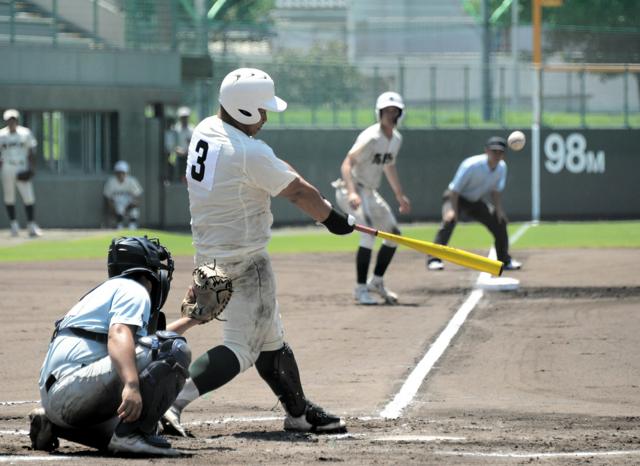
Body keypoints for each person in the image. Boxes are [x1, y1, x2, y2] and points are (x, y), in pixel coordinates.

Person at [161, 67, 355, 437]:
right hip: (245, 261)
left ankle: (298, 411)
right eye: (262, 110)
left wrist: (323, 204)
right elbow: (296, 192)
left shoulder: (206, 129)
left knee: (270, 338)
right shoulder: (249, 152)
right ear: (245, 109)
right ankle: (170, 402)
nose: (265, 118)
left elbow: (280, 172)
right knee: (242, 347)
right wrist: (332, 219)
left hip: (210, 255)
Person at [29, 236, 202, 457]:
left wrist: (192, 320)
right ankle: (132, 435)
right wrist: (131, 385)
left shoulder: (112, 291)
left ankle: (51, 424)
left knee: (140, 427)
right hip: (72, 392)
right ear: (148, 270)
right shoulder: (134, 289)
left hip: (66, 398)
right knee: (174, 349)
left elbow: (141, 345)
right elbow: (119, 335)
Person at [332, 92, 411, 305]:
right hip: (352, 190)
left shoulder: (395, 139)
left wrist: (399, 194)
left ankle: (376, 282)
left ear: (400, 114)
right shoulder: (371, 137)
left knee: (394, 235)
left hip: (370, 192)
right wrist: (352, 192)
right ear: (379, 113)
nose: (391, 115)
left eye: (395, 111)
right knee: (368, 234)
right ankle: (360, 289)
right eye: (387, 111)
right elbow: (347, 163)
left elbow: (389, 165)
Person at [426, 136, 522, 272]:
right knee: (449, 221)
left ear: (504, 155)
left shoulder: (501, 168)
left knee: (499, 222)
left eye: (500, 152)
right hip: (455, 198)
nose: (497, 155)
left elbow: (496, 191)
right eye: (494, 151)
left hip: (475, 201)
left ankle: (504, 261)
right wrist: (452, 210)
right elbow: (454, 190)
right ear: (486, 151)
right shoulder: (471, 165)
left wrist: (499, 210)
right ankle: (434, 259)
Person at [0, 109, 42, 237]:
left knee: (28, 196)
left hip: (21, 166)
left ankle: (31, 225)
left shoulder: (25, 132)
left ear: (17, 120)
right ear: (6, 121)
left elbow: (31, 151)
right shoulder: (1, 135)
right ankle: (14, 225)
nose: (11, 122)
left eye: (13, 119)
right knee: (9, 197)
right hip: (7, 167)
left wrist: (32, 169)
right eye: (9, 120)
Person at [103, 160, 143, 230]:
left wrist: (129, 206)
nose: (121, 175)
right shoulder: (111, 182)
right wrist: (112, 208)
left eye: (123, 173)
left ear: (126, 173)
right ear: (115, 173)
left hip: (129, 204)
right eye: (119, 172)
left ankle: (132, 225)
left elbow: (138, 197)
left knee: (134, 210)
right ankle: (119, 224)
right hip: (116, 204)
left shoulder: (132, 181)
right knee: (119, 207)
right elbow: (107, 198)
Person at [165, 106, 194, 183]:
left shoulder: (192, 129)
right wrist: (177, 150)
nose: (184, 119)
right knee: (177, 173)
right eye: (182, 117)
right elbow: (172, 144)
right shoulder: (175, 129)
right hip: (177, 156)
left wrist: (187, 151)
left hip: (190, 156)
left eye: (186, 117)